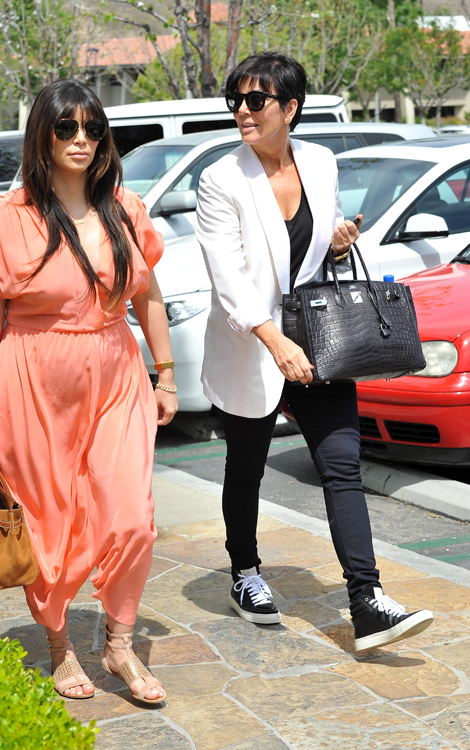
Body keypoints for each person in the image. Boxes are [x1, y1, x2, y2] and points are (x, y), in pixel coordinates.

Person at [196, 52, 433, 651]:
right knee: (245, 468)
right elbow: (228, 279)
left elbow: (313, 244)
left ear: (290, 108)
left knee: (342, 465)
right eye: (236, 101)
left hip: (320, 336)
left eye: (257, 101)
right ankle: (245, 572)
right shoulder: (221, 178)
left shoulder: (321, 163)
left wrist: (336, 240)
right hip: (252, 345)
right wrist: (273, 341)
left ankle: (366, 599)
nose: (243, 112)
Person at [0, 80, 178, 701]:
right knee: (48, 526)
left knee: (133, 519)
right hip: (29, 386)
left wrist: (164, 374)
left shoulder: (125, 211)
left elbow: (149, 298)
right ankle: (60, 649)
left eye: (91, 129)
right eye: (66, 129)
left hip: (116, 375)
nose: (80, 140)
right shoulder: (7, 219)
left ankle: (119, 646)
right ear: (44, 136)